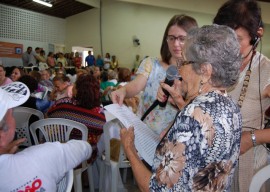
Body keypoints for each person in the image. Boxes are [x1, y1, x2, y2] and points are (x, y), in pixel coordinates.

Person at [121, 24, 242, 192]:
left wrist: (129, 149)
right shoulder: (231, 106)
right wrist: (181, 102)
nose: (178, 69)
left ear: (205, 72)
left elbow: (156, 189)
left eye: (183, 62)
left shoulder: (191, 117)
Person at [213, 1, 270, 191]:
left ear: (255, 38)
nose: (228, 46)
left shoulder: (265, 70)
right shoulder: (214, 64)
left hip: (247, 165)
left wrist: (252, 138)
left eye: (236, 39)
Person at [111, 14, 198, 135]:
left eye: (182, 39)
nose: (176, 44)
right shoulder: (151, 63)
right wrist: (124, 91)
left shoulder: (196, 75)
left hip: (169, 139)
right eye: (172, 38)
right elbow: (136, 85)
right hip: (142, 130)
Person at [0, 81, 92, 191]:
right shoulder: (42, 157)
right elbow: (86, 148)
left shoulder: (58, 104)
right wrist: (57, 146)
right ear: (2, 135)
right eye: (12, 114)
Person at [47, 74, 106, 164]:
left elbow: (48, 116)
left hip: (58, 153)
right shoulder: (100, 115)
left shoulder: (62, 104)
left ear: (78, 91)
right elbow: (99, 134)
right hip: (83, 157)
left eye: (75, 85)